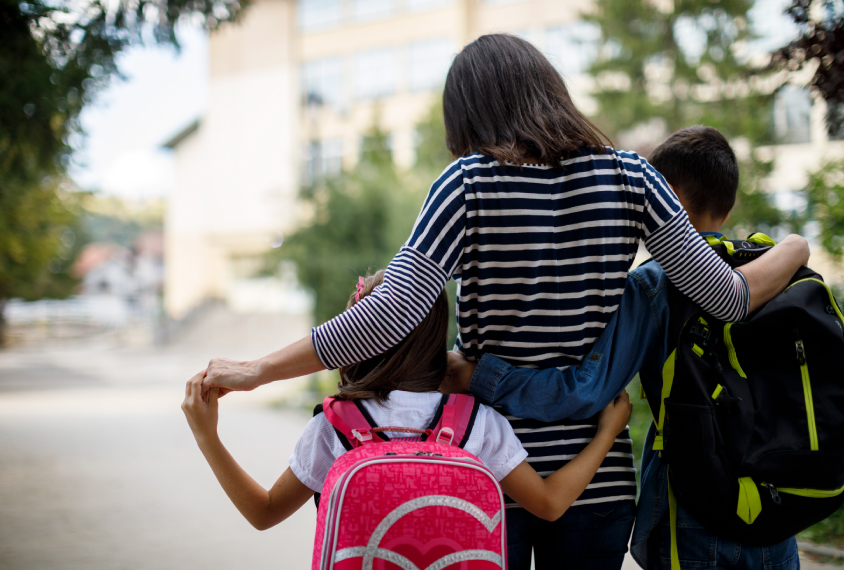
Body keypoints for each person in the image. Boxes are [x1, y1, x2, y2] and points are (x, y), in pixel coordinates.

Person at [200, 35, 808, 569]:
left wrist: (256, 370)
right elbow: (729, 299)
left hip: (485, 468)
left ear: (469, 114)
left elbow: (388, 316)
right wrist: (795, 247)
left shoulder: (466, 184)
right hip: (597, 476)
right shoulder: (632, 178)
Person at [445, 126, 801, 569]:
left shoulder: (654, 286)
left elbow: (585, 390)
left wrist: (478, 375)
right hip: (779, 507)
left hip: (695, 504)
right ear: (725, 209)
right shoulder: (775, 272)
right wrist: (796, 245)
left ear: (665, 195)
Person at [182, 271, 634, 534]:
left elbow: (263, 514)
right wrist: (606, 435)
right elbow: (550, 504)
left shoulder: (334, 426)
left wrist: (207, 436)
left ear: (355, 338)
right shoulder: (476, 422)